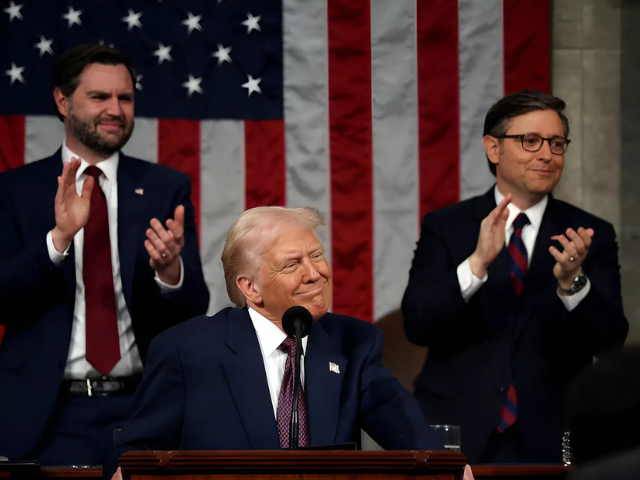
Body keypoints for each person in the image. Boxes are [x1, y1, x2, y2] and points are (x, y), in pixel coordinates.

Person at [106, 206, 441, 479]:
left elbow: (406, 428)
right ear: (250, 288)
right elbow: (133, 455)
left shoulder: (354, 343)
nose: (315, 273)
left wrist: (446, 469)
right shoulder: (188, 351)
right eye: (292, 264)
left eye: (316, 255)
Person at [0, 44, 210, 466]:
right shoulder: (14, 190)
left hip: (142, 409)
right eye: (99, 97)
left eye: (125, 98)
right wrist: (58, 239)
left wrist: (170, 272)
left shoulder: (164, 187)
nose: (115, 109)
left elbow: (194, 309)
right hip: (45, 416)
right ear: (63, 100)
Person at [402, 90, 628, 464]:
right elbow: (418, 325)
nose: (547, 155)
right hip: (457, 429)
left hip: (553, 433)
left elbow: (610, 342)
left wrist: (572, 283)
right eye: (531, 141)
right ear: (494, 148)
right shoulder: (448, 226)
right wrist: (476, 264)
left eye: (557, 144)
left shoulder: (590, 233)